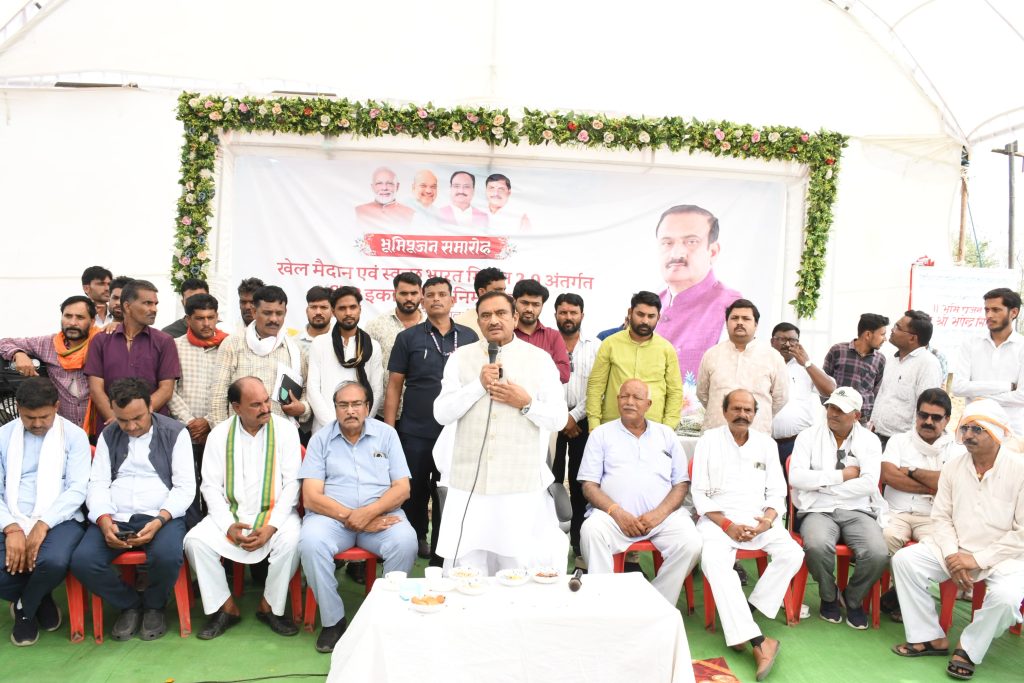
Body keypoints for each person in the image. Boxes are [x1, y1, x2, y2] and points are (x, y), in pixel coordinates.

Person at [433, 291, 568, 573]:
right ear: (478, 321)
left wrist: (527, 403)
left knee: (515, 566)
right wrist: (477, 386)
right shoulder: (460, 358)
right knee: (468, 567)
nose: (493, 320)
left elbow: (558, 418)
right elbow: (441, 413)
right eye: (486, 315)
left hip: (518, 484)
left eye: (501, 313)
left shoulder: (540, 359)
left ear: (515, 317)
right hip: (470, 483)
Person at [890, 399, 1024, 680]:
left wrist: (976, 560)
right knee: (905, 561)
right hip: (955, 548)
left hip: (1005, 557)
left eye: (977, 429)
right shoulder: (953, 467)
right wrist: (953, 556)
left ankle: (969, 648)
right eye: (965, 428)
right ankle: (929, 637)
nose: (968, 435)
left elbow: (1021, 533)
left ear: (996, 434)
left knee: (1007, 598)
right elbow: (941, 518)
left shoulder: (1019, 470)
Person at [69, 378, 195, 641]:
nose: (131, 426)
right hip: (117, 513)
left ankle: (154, 605)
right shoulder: (109, 434)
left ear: (150, 406)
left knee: (167, 556)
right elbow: (98, 483)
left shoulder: (175, 432)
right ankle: (130, 604)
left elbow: (184, 488)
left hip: (162, 512)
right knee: (83, 561)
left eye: (137, 418)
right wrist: (103, 519)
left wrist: (160, 520)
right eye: (123, 420)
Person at [298, 381, 417, 653]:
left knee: (406, 541)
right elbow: (311, 497)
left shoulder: (387, 435)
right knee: (311, 543)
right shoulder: (320, 440)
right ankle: (333, 621)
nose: (350, 410)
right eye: (343, 405)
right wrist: (353, 517)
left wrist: (370, 513)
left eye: (356, 404)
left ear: (367, 407)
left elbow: (402, 489)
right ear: (335, 408)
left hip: (381, 516)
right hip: (331, 518)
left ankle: (384, 615)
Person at [692, 389, 803, 681]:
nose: (742, 414)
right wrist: (727, 524)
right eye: (736, 409)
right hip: (718, 521)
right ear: (725, 411)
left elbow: (777, 492)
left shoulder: (766, 444)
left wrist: (767, 521)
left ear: (755, 414)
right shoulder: (708, 441)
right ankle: (759, 641)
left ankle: (746, 614)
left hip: (757, 521)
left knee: (793, 553)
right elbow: (699, 494)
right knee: (714, 563)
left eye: (748, 410)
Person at [184, 377, 301, 639]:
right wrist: (228, 526)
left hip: (276, 515)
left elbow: (293, 484)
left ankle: (270, 606)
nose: (266, 408)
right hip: (231, 515)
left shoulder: (286, 430)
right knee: (194, 541)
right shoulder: (219, 435)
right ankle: (226, 607)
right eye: (256, 404)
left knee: (294, 540)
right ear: (236, 407)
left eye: (266, 401)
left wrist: (272, 526)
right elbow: (210, 488)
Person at [578, 379, 701, 605]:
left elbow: (681, 484)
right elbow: (589, 485)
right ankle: (603, 603)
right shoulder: (601, 434)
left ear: (648, 404)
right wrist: (616, 512)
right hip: (613, 519)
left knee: (691, 542)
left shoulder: (666, 435)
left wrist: (659, 514)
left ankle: (656, 602)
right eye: (624, 396)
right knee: (591, 530)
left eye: (636, 397)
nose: (629, 402)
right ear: (617, 400)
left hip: (661, 519)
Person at [383, 277, 477, 561]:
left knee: (448, 492)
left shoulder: (470, 337)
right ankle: (414, 541)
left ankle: (442, 552)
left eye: (442, 294)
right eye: (431, 295)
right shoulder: (408, 338)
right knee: (413, 491)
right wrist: (389, 431)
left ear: (452, 300)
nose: (436, 299)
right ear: (422, 301)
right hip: (416, 430)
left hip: (458, 431)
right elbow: (394, 386)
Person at [0, 377, 90, 646]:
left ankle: (25, 609)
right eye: (30, 418)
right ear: (18, 408)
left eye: (44, 417)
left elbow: (77, 490)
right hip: (10, 514)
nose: (38, 424)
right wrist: (11, 528)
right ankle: (40, 598)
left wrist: (43, 524)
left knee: (54, 561)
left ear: (57, 407)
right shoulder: (3, 436)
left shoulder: (75, 436)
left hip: (60, 517)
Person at [789, 387, 888, 629]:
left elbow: (868, 484)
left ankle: (852, 598)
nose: (832, 413)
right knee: (816, 545)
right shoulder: (808, 436)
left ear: (856, 415)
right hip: (817, 509)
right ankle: (829, 595)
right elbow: (796, 478)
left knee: (877, 553)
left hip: (858, 509)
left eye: (840, 410)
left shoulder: (870, 440)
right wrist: (841, 476)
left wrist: (821, 486)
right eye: (830, 407)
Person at [878, 388, 962, 622]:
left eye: (936, 417)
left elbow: (950, 482)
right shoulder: (899, 441)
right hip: (897, 512)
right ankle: (902, 595)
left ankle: (898, 595)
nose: (928, 421)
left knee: (936, 550)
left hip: (935, 517)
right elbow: (889, 476)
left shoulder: (956, 450)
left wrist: (911, 471)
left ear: (947, 420)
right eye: (923, 415)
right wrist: (933, 486)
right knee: (885, 537)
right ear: (916, 415)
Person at [652, 205, 742, 387]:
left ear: (713, 252)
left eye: (691, 242)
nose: (676, 253)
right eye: (667, 243)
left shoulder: (732, 306)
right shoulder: (649, 305)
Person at [84, 279, 181, 432]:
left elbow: (166, 390)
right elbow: (96, 389)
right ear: (127, 306)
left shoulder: (164, 341)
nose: (154, 309)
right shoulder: (101, 340)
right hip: (111, 427)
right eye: (148, 303)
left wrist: (136, 417)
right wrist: (118, 420)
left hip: (152, 429)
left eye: (155, 304)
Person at [168, 293, 229, 527]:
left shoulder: (228, 345)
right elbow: (169, 389)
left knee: (217, 485)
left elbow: (232, 388)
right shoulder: (174, 346)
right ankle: (192, 532)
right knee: (188, 485)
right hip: (185, 431)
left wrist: (209, 421)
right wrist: (191, 422)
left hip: (218, 430)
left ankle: (219, 528)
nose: (206, 323)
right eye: (200, 318)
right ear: (188, 320)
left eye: (211, 317)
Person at [211, 285, 309, 426]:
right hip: (240, 432)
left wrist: (303, 408)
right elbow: (218, 397)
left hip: (281, 434)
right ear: (254, 312)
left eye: (279, 313)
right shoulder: (233, 344)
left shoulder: (295, 350)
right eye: (267, 313)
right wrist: (223, 434)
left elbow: (306, 390)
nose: (274, 319)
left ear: (285, 312)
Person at [586, 291, 683, 431]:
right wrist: (594, 426)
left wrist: (667, 429)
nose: (645, 321)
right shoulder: (610, 344)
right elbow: (596, 386)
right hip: (612, 426)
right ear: (630, 312)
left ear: (658, 317)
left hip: (653, 429)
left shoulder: (666, 349)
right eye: (640, 314)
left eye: (651, 316)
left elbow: (675, 392)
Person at [1, 296, 100, 428]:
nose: (72, 322)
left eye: (80, 317)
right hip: (62, 429)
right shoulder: (48, 344)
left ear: (92, 321)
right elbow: (4, 342)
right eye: (68, 316)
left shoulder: (102, 343)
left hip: (99, 426)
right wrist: (18, 353)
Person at [698, 299, 788, 434]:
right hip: (716, 433)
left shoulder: (772, 357)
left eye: (746, 318)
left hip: (756, 434)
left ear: (756, 324)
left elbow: (781, 397)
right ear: (726, 323)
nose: (739, 322)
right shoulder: (711, 354)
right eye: (734, 318)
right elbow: (702, 393)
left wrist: (760, 414)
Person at [553, 293, 598, 556]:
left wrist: (574, 416)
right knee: (550, 480)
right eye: (563, 312)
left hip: (583, 422)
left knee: (581, 482)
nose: (568, 317)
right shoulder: (546, 344)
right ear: (555, 315)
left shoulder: (596, 346)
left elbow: (597, 387)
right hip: (551, 423)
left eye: (573, 312)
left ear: (582, 315)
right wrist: (561, 417)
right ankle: (549, 541)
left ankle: (579, 542)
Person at [307, 286, 384, 433]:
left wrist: (362, 422)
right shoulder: (320, 343)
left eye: (352, 307)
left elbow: (377, 391)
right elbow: (313, 389)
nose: (348, 313)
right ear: (333, 311)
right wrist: (333, 425)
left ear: (360, 309)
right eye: (342, 308)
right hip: (324, 429)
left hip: (360, 429)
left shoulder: (372, 346)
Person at [952, 287, 1024, 434]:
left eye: (996, 310)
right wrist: (1006, 386)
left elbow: (1021, 396)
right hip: (974, 427)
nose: (989, 315)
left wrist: (977, 397)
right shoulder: (971, 344)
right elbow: (958, 388)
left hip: (1011, 430)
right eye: (987, 310)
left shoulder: (1022, 346)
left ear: (1014, 312)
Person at [872, 310, 944, 447]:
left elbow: (926, 408)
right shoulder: (893, 359)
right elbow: (883, 395)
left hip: (903, 444)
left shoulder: (928, 364)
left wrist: (912, 445)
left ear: (912, 338)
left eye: (898, 327)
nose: (892, 330)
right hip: (878, 437)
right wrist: (873, 424)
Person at [769, 322, 835, 469]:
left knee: (796, 481)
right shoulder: (761, 364)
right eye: (782, 339)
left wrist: (806, 363)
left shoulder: (805, 366)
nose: (787, 344)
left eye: (792, 340)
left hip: (797, 442)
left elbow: (831, 391)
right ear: (772, 341)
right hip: (765, 441)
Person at [365, 271, 423, 416]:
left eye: (413, 293)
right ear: (394, 294)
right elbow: (365, 368)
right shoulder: (376, 325)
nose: (409, 298)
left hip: (421, 412)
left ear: (421, 294)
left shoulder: (431, 325)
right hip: (381, 411)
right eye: (403, 293)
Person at [822, 313, 889, 424]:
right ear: (868, 334)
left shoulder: (880, 359)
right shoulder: (837, 351)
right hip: (835, 417)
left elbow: (877, 392)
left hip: (861, 421)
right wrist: (829, 408)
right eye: (882, 334)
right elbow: (823, 382)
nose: (885, 339)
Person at [512, 279, 570, 383]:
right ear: (514, 302)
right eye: (525, 303)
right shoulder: (505, 334)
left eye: (536, 304)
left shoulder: (553, 336)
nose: (529, 309)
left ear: (542, 306)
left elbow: (564, 375)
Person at [354, 166, 414, 231]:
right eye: (379, 183)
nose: (384, 188)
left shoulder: (410, 213)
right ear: (372, 187)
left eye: (389, 183)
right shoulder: (358, 211)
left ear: (397, 186)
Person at [453, 266, 506, 335]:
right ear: (482, 292)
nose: (504, 294)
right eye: (498, 290)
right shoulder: (460, 322)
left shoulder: (510, 318)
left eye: (504, 290)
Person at [294, 286, 334, 353]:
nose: (318, 312)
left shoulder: (341, 340)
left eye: (323, 307)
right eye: (313, 307)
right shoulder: (293, 343)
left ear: (333, 312)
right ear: (307, 311)